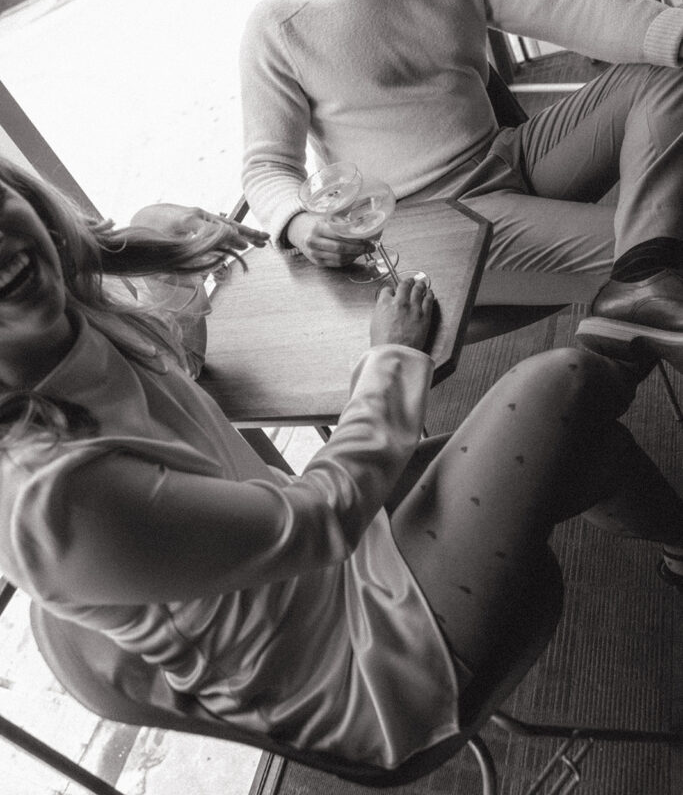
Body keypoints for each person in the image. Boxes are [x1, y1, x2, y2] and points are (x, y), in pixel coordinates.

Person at [0, 156, 682, 771]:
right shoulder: (52, 498)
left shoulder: (59, 328)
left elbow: (173, 361)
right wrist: (392, 356)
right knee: (555, 384)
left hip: (320, 568)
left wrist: (163, 253)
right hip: (350, 668)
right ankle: (635, 312)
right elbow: (320, 520)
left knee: (580, 442)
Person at [240, 0, 683, 372]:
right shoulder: (277, 27)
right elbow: (265, 168)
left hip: (511, 153)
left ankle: (641, 280)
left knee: (665, 74)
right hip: (437, 221)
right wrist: (298, 224)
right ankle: (645, 274)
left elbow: (575, 6)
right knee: (666, 250)